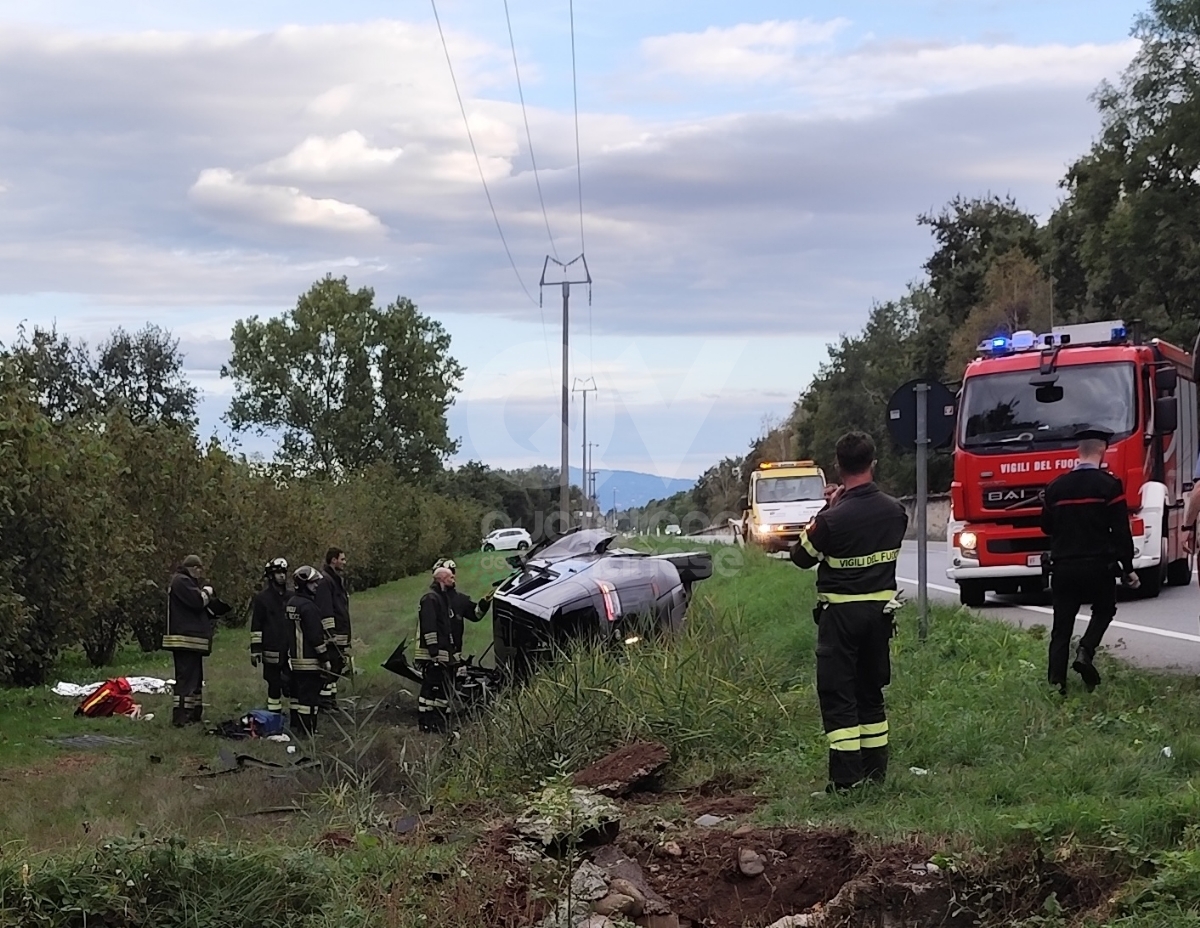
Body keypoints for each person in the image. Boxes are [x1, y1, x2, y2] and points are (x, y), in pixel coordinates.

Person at [789, 431, 908, 792]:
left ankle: (845, 782)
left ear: (838, 467)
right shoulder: (895, 512)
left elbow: (801, 557)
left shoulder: (833, 519)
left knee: (839, 697)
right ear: (873, 463)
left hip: (840, 619)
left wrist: (830, 507)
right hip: (879, 617)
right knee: (871, 692)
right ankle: (875, 775)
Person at [1040, 426, 1139, 695]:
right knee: (1104, 609)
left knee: (1061, 628)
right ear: (1102, 450)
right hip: (1099, 566)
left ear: (1077, 451)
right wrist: (1127, 568)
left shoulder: (1055, 488)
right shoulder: (1109, 485)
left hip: (1063, 567)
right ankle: (1086, 649)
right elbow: (1120, 530)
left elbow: (1046, 527)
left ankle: (1056, 685)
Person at [163, 554, 215, 727]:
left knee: (195, 679)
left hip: (191, 640)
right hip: (185, 639)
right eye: (198, 568)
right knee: (186, 680)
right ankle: (181, 717)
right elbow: (198, 601)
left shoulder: (184, 582)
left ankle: (193, 714)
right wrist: (207, 592)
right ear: (192, 568)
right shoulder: (181, 582)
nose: (200, 573)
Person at [286, 565, 338, 736]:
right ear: (303, 584)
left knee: (301, 698)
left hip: (295, 659)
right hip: (309, 660)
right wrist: (325, 658)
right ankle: (308, 731)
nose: (316, 586)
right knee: (310, 699)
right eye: (313, 583)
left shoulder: (292, 604)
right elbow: (315, 637)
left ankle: (301, 729)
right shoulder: (309, 607)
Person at [414, 565, 457, 733]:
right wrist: (434, 652)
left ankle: (437, 722)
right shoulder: (431, 599)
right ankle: (426, 722)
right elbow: (429, 627)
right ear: (440, 580)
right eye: (450, 578)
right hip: (432, 653)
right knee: (430, 688)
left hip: (441, 651)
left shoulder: (441, 597)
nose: (454, 581)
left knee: (440, 688)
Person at [250, 558, 291, 714]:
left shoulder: (291, 596)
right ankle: (274, 715)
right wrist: (256, 650)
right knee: (274, 684)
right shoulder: (263, 599)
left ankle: (296, 719)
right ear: (271, 576)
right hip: (271, 649)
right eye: (278, 573)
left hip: (290, 649)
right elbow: (256, 626)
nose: (282, 576)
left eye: (283, 572)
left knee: (292, 683)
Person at [434, 557, 494, 661]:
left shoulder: (460, 600)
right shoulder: (431, 600)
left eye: (452, 572)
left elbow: (475, 614)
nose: (452, 575)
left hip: (455, 654)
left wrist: (484, 603)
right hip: (435, 656)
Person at [315, 547, 350, 710]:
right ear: (333, 560)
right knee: (330, 668)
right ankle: (323, 702)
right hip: (333, 635)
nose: (344, 562)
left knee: (337, 666)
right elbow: (325, 608)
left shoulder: (335, 579)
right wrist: (330, 633)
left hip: (341, 632)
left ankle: (330, 700)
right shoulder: (325, 581)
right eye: (342, 559)